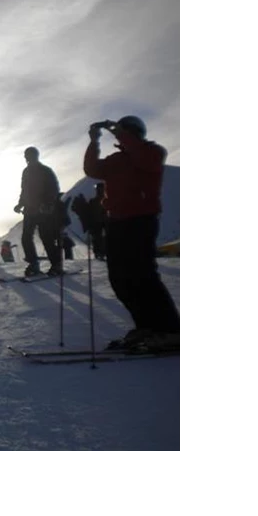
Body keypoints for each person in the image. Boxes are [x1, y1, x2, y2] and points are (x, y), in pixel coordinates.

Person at [84, 116, 180, 349]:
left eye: (124, 131)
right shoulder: (117, 159)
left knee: (144, 275)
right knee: (119, 277)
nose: (119, 135)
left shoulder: (152, 152)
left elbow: (143, 159)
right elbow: (92, 169)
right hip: (116, 222)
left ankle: (171, 330)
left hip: (141, 221)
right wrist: (94, 141)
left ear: (133, 133)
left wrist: (118, 132)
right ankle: (145, 325)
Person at [14, 146, 63, 278]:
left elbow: (54, 189)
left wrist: (47, 204)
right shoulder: (27, 172)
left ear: (34, 156)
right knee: (26, 237)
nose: (26, 158)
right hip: (30, 210)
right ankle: (34, 263)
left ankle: (56, 264)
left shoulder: (45, 171)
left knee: (45, 237)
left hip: (43, 211)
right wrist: (20, 204)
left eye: (28, 155)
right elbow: (24, 190)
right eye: (26, 156)